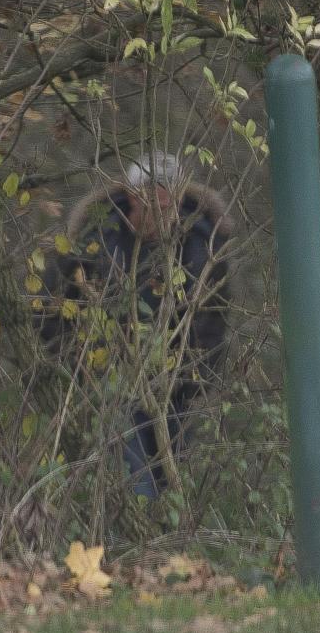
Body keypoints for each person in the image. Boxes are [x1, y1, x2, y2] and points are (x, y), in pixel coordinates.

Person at [40, 152, 232, 498]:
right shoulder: (93, 239)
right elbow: (52, 311)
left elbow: (214, 323)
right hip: (110, 385)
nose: (162, 214)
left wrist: (196, 378)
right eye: (152, 204)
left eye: (168, 204)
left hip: (175, 390)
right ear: (132, 198)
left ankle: (159, 548)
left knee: (170, 485)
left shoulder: (203, 246)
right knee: (136, 480)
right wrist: (78, 371)